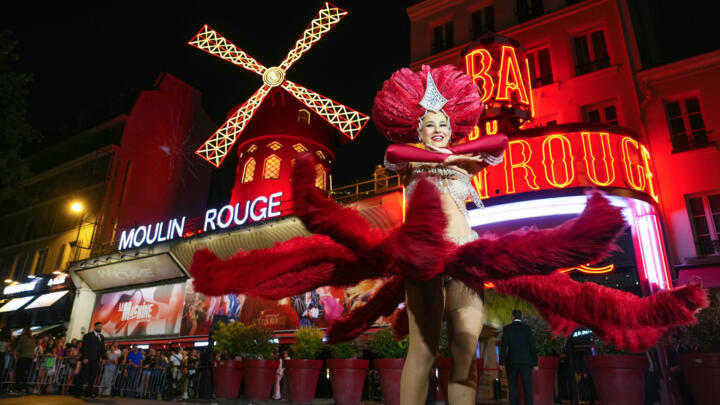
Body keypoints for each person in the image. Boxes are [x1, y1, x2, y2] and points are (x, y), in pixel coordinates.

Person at [188, 65, 709, 405]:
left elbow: (501, 140)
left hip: (469, 258)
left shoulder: (468, 156)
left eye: (443, 124)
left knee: (465, 348)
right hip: (421, 257)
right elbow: (396, 155)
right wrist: (450, 156)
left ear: (451, 125)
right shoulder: (409, 158)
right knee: (420, 347)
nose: (437, 129)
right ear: (417, 127)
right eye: (428, 124)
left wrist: (459, 154)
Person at [499, 309, 538, 405]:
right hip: (526, 362)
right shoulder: (527, 329)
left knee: (512, 388)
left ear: (512, 317)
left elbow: (504, 347)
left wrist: (502, 363)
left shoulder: (507, 328)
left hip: (512, 362)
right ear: (521, 317)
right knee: (527, 388)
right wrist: (535, 363)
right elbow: (532, 347)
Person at [74, 321, 105, 397]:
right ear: (95, 327)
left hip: (96, 360)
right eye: (98, 326)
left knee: (92, 376)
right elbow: (85, 347)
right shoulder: (88, 336)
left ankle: (88, 392)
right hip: (87, 359)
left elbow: (102, 348)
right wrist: (85, 357)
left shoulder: (101, 337)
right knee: (83, 375)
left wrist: (103, 358)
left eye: (101, 327)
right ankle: (77, 392)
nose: (100, 328)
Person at [14, 327, 35, 394]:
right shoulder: (33, 339)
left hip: (23, 357)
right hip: (30, 358)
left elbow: (18, 348)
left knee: (20, 373)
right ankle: (24, 387)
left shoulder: (23, 338)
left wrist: (17, 353)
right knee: (26, 373)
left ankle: (18, 388)